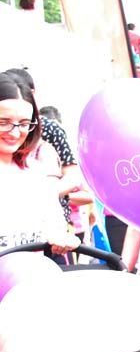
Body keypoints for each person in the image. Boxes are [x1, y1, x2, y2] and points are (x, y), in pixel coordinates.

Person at [0, 73, 78, 255]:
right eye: (4, 122)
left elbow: (55, 226)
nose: (15, 132)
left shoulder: (36, 173)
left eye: (24, 123)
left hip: (29, 276)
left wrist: (63, 239)